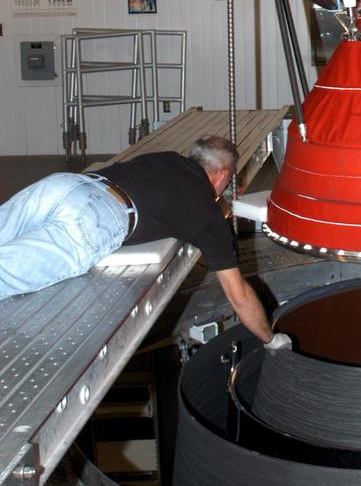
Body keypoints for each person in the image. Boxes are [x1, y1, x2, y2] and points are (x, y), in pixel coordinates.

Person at [0, 135, 286, 348]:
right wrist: (270, 338)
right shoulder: (206, 212)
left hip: (66, 185)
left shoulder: (165, 158)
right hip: (98, 218)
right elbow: (238, 294)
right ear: (223, 174)